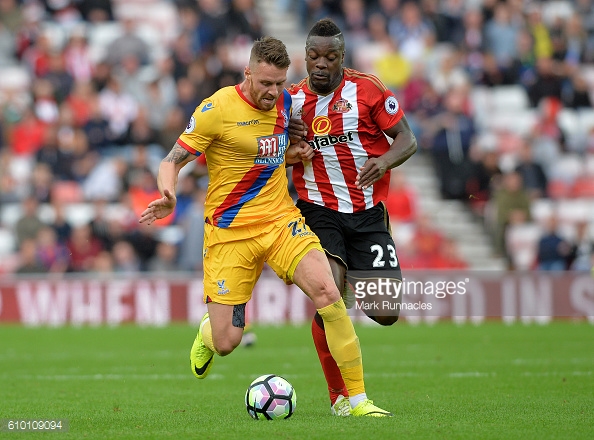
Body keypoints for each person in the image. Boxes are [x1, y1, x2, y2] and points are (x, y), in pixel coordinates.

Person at [139, 36, 392, 417]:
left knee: (328, 291)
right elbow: (171, 160)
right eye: (265, 84)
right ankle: (209, 331)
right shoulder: (215, 109)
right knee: (227, 341)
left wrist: (294, 154)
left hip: (279, 221)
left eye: (279, 83)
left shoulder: (288, 103)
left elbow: (269, 154)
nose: (273, 92)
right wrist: (168, 194)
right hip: (230, 233)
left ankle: (355, 401)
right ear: (248, 74)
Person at [287, 19, 417, 416]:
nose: (321, 64)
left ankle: (352, 291)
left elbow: (408, 140)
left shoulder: (369, 89)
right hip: (317, 209)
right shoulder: (290, 101)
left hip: (367, 214)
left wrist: (384, 161)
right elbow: (271, 152)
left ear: (343, 57)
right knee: (330, 294)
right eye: (314, 56)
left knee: (385, 312)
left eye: (330, 57)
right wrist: (291, 147)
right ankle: (340, 396)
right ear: (305, 56)